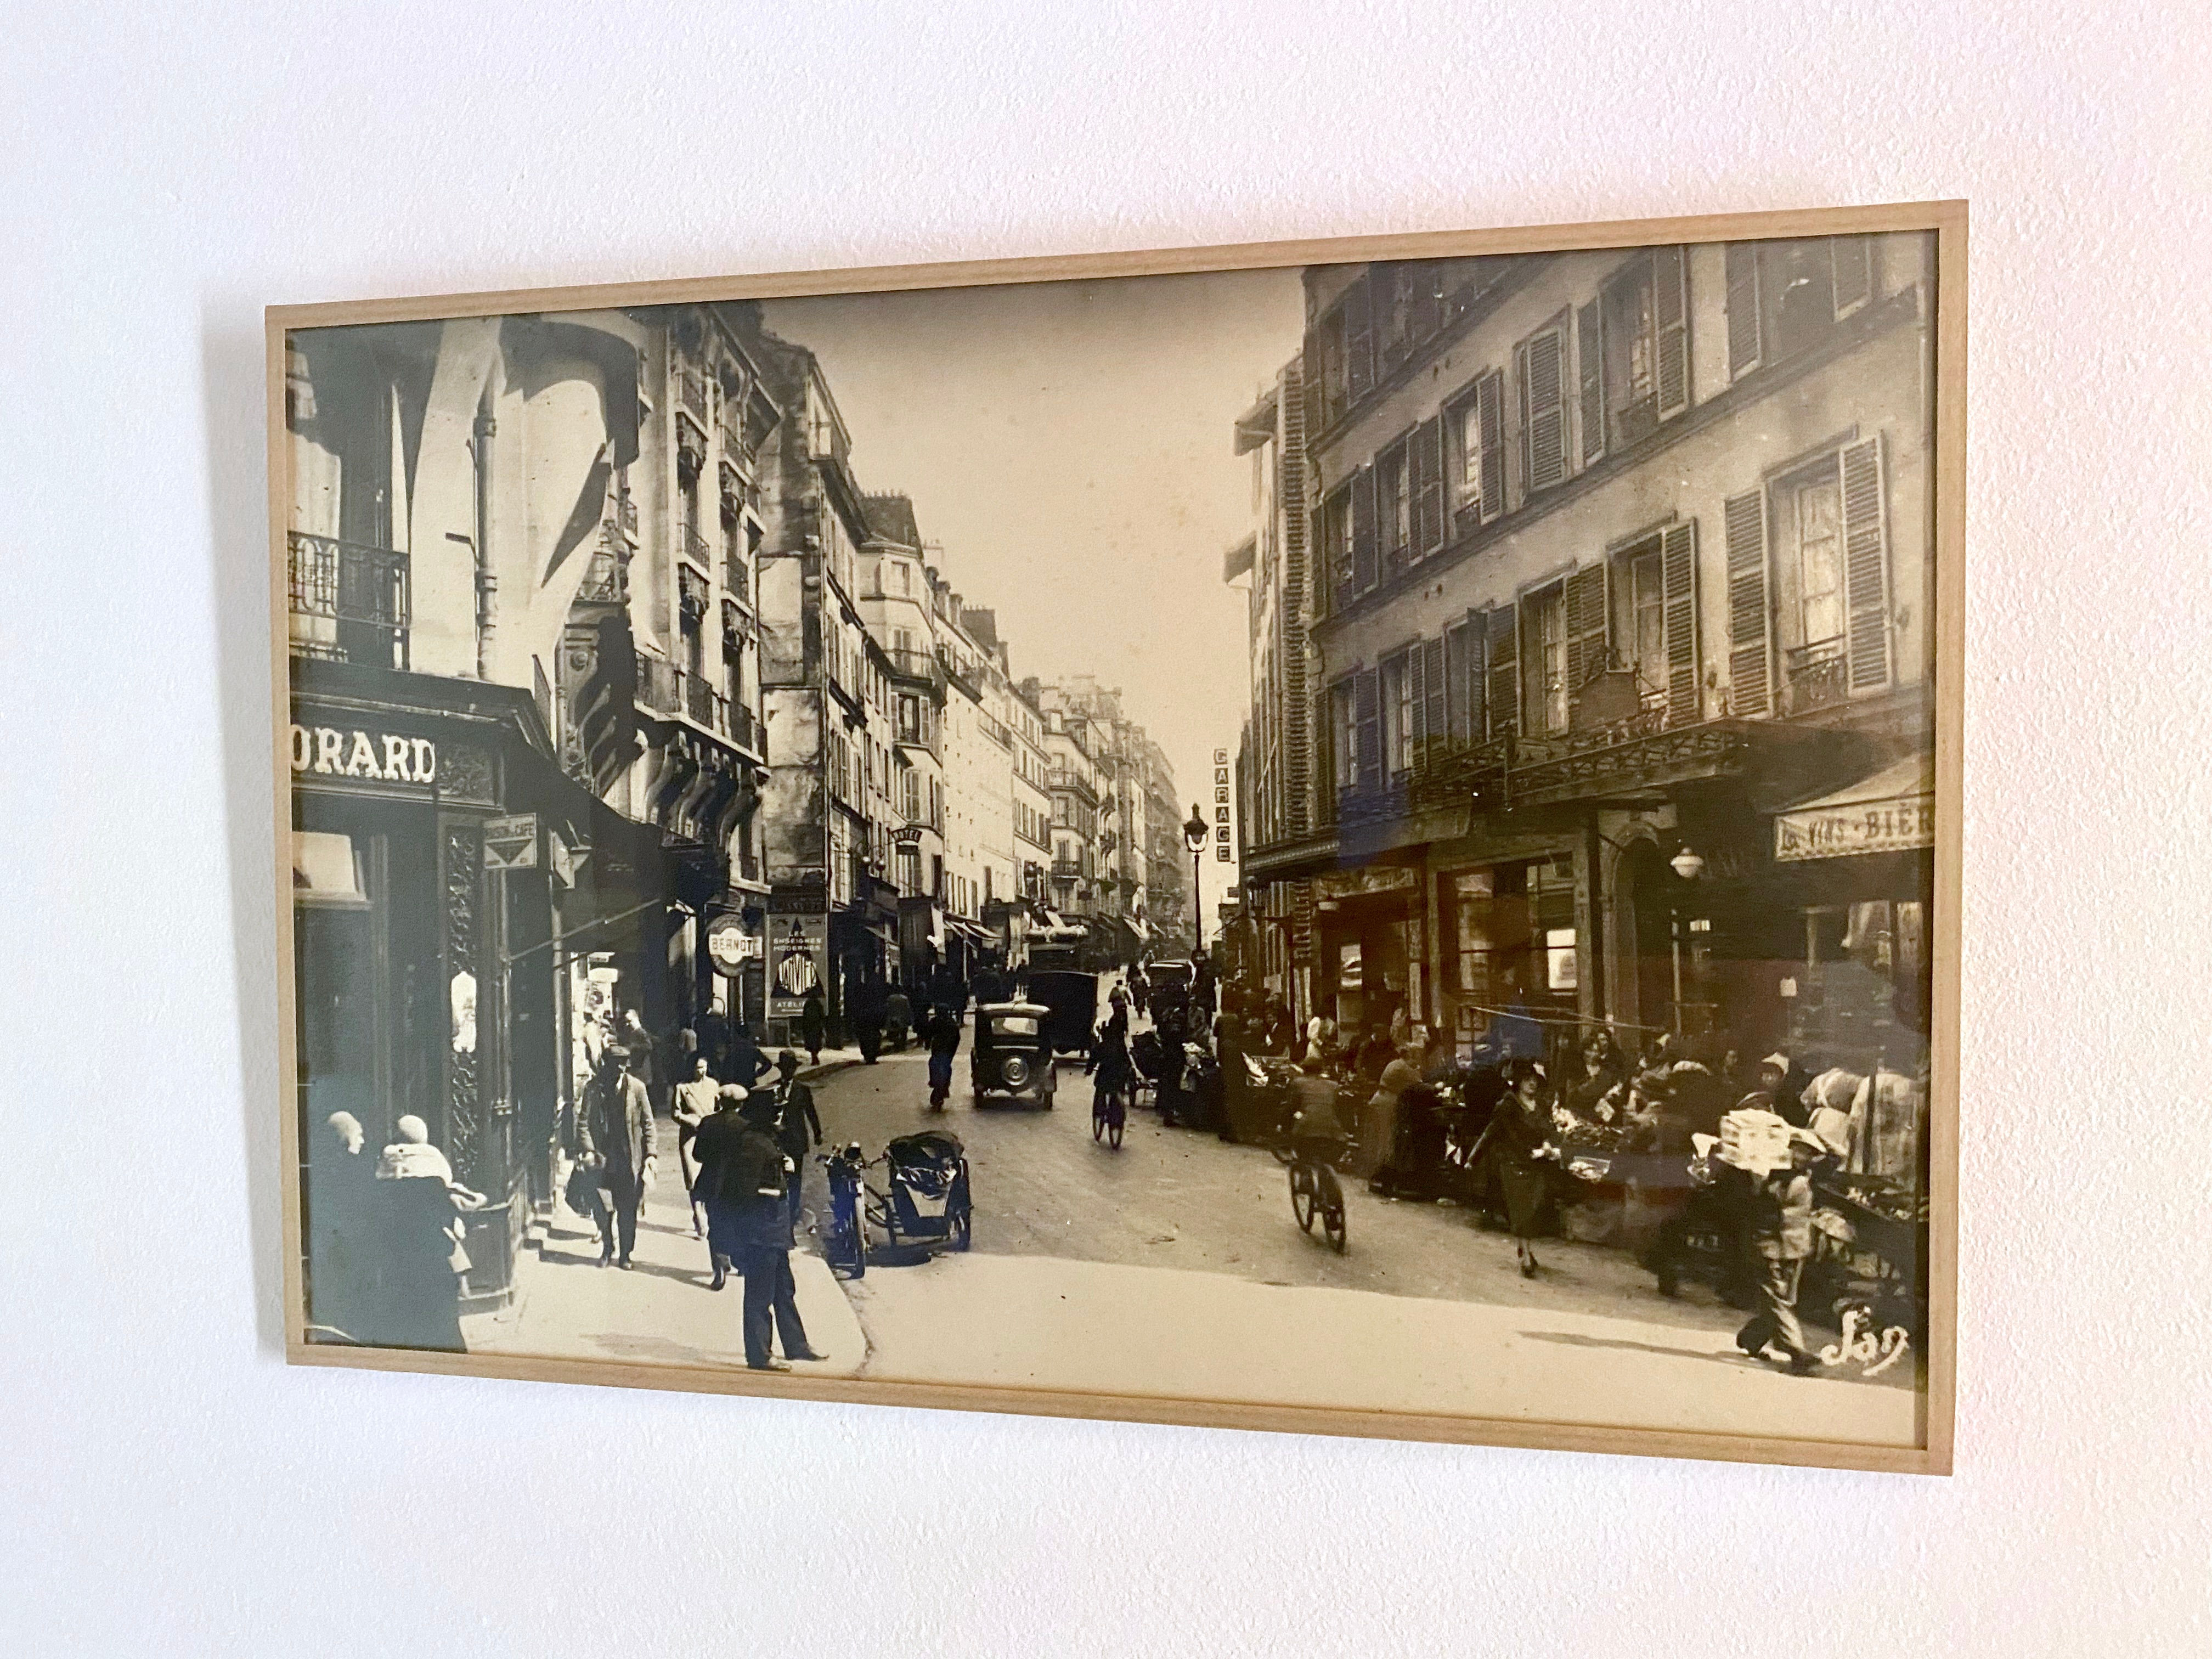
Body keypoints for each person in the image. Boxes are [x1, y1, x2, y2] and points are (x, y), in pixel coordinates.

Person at [370, 1116, 486, 1351]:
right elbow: (463, 1208)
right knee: (441, 1328)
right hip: (433, 1262)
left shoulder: (384, 1171)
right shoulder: (436, 1176)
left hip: (396, 1262)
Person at [729, 1093, 826, 1370]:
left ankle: (796, 1346)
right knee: (760, 1296)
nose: (780, 1115)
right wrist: (776, 1185)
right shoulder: (752, 1144)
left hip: (775, 1232)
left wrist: (786, 1167)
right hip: (762, 1234)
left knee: (785, 1290)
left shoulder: (765, 1139)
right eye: (776, 1111)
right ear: (764, 1115)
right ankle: (759, 1356)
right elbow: (745, 1190)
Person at [1736, 1133, 1825, 1374]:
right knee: (1777, 1298)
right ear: (1788, 1149)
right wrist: (1760, 1180)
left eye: (1808, 1154)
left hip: (1795, 1246)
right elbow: (1754, 1203)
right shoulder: (1766, 1172)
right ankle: (1797, 1352)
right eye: (1798, 1150)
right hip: (1769, 1243)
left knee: (1785, 1299)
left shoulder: (1806, 1177)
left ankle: (1751, 1339)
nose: (1802, 1157)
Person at [579, 1046, 656, 1269]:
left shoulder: (637, 1088)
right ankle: (607, 1248)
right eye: (617, 1063)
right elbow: (583, 1123)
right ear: (606, 1064)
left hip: (628, 1159)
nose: (622, 1068)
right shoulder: (593, 1089)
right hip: (602, 1159)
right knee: (602, 1209)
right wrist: (590, 1151)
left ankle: (625, 1254)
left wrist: (651, 1153)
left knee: (627, 1209)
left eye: (624, 1063)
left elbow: (648, 1123)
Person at [308, 1111, 376, 1337]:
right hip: (352, 1245)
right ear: (346, 1136)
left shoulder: (320, 1166)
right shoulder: (356, 1169)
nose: (363, 1140)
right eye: (358, 1134)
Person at [1487, 1058, 1557, 1278]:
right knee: (1521, 1209)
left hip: (1537, 1164)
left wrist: (1546, 1145)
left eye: (1535, 1080)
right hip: (1514, 1163)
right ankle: (1525, 1255)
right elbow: (1509, 1136)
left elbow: (1548, 1129)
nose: (1532, 1085)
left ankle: (1525, 1246)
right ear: (1518, 1082)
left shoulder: (1541, 1106)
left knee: (1534, 1208)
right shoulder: (1507, 1106)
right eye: (1527, 1080)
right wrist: (1530, 1151)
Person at [688, 1084, 751, 1289]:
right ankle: (741, 1263)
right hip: (738, 1183)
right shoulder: (745, 1126)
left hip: (712, 1182)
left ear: (720, 1102)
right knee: (739, 1222)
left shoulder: (708, 1122)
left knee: (716, 1225)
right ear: (741, 1105)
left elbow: (697, 1156)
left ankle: (720, 1270)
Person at [771, 1051, 822, 1233]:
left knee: (795, 1183)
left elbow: (811, 1113)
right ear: (781, 1070)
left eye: (791, 1069)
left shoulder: (802, 1089)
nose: (788, 1072)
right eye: (785, 1069)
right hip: (778, 1142)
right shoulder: (773, 1089)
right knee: (779, 1180)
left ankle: (791, 1221)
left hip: (796, 1142)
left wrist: (817, 1133)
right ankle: (780, 1216)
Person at [673, 1054, 721, 1239]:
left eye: (704, 1067)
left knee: (708, 1175)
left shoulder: (713, 1085)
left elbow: (719, 1108)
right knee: (692, 1178)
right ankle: (700, 1216)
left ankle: (702, 1211)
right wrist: (691, 1120)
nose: (701, 1071)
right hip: (690, 1136)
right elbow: (675, 1113)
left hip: (710, 1135)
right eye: (698, 1068)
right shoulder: (682, 1088)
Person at [1361, 1041, 1421, 1187]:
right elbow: (1420, 1083)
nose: (1419, 1060)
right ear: (1410, 1056)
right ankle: (1383, 1175)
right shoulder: (1402, 1067)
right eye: (1417, 1056)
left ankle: (1378, 1174)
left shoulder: (1396, 1064)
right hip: (1387, 1103)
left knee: (1380, 1138)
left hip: (1381, 1101)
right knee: (1386, 1138)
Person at [920, 1005, 962, 1109]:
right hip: (947, 1050)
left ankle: (937, 1083)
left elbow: (928, 1034)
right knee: (943, 1066)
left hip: (940, 1049)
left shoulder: (936, 1021)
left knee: (935, 1064)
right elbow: (957, 1037)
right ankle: (943, 1084)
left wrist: (927, 1043)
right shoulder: (950, 1022)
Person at [721, 1023, 771, 1092]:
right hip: (749, 1082)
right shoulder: (753, 1049)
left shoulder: (730, 1049)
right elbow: (768, 1064)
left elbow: (723, 1066)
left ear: (737, 1035)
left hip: (733, 1082)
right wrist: (756, 1074)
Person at [799, 988, 827, 1066]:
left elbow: (805, 1016)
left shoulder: (808, 1004)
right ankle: (815, 1057)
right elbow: (822, 1016)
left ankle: (814, 1057)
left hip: (809, 1027)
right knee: (816, 1043)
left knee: (811, 1043)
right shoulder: (818, 1004)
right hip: (816, 1027)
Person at [884, 985, 914, 1052]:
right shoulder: (904, 998)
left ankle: (897, 1045)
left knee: (895, 1032)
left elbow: (888, 1008)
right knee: (903, 1032)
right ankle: (902, 1045)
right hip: (903, 1017)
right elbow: (907, 1008)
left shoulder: (890, 998)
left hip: (893, 1017)